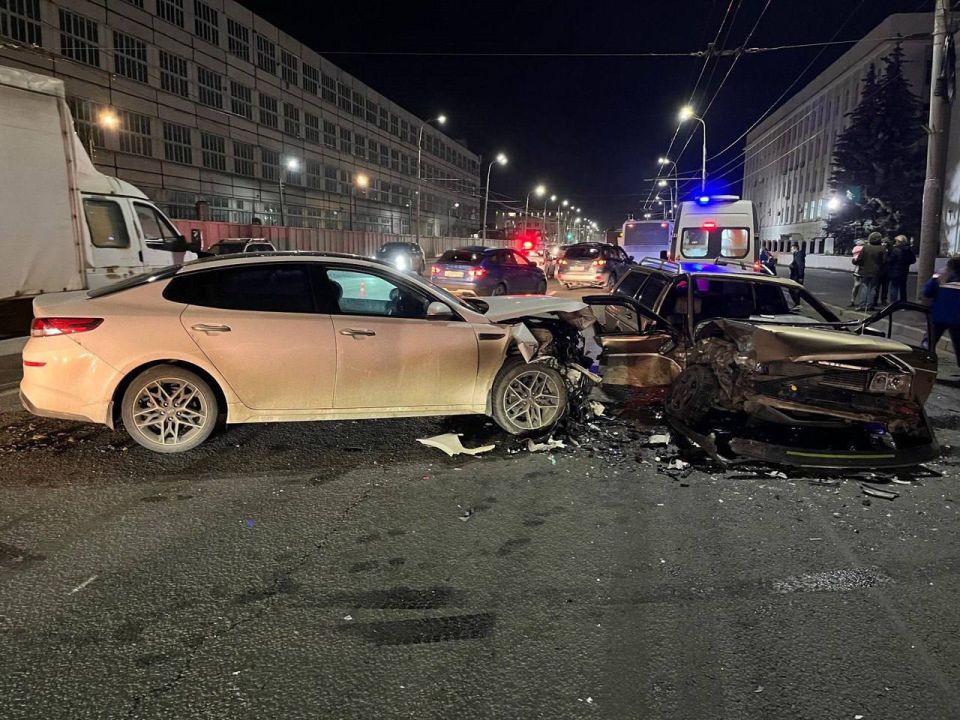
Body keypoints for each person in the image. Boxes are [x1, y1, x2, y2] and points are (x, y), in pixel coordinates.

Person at [922, 255, 960, 369]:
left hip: (938, 315)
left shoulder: (940, 276)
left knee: (929, 341)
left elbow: (927, 292)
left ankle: (924, 365)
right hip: (958, 319)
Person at [854, 231, 887, 310]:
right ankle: (869, 305)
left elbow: (859, 259)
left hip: (865, 271)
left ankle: (862, 305)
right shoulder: (882, 248)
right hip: (876, 271)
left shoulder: (866, 247)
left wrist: (859, 264)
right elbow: (884, 261)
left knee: (864, 287)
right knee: (873, 288)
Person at [887, 235, 916, 303]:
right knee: (903, 288)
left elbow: (890, 260)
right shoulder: (909, 250)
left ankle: (893, 303)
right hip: (904, 271)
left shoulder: (895, 250)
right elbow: (913, 260)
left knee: (894, 287)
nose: (896, 242)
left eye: (897, 241)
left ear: (899, 242)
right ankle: (903, 303)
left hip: (895, 271)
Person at [849, 239, 866, 307]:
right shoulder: (865, 249)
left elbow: (854, 260)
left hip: (857, 269)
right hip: (864, 269)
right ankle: (863, 302)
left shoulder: (855, 249)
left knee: (856, 286)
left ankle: (852, 300)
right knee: (865, 287)